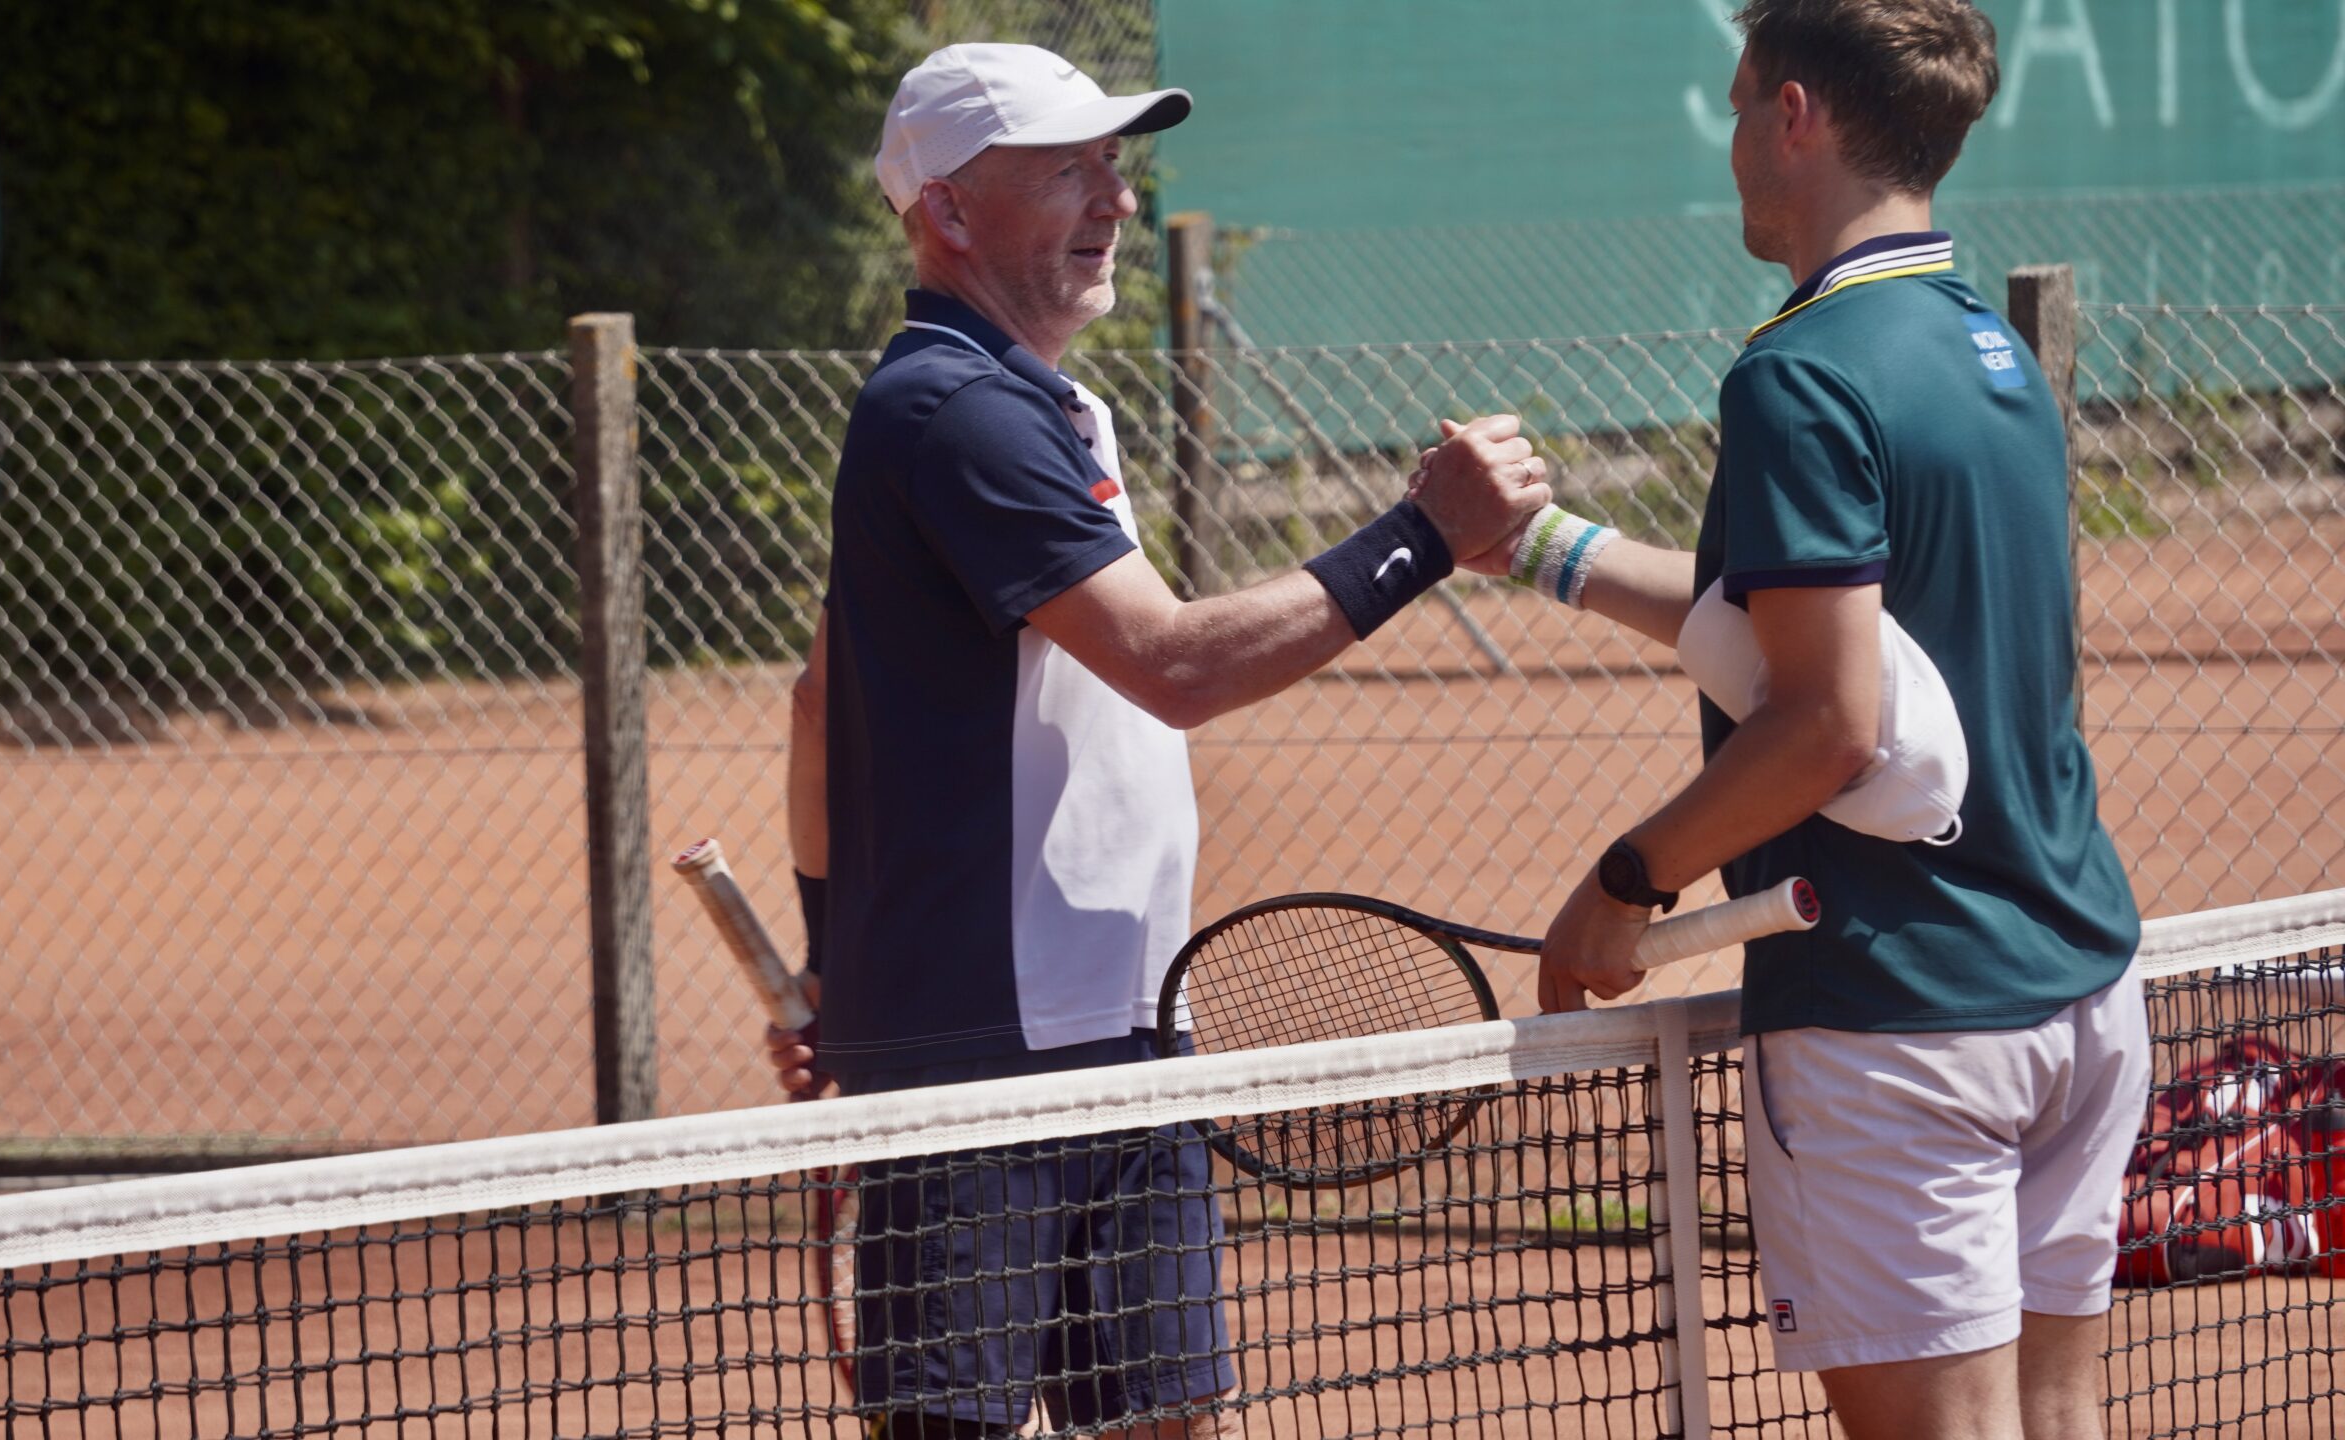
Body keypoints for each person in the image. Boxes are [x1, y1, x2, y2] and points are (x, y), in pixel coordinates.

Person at [758, 42, 1553, 1440]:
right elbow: (1173, 666)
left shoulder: (1036, 404)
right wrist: (1424, 535)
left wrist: (835, 961)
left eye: (1113, 164)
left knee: (1167, 1419)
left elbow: (822, 699)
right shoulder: (953, 408)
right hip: (989, 1058)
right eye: (1068, 169)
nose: (1116, 199)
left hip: (1127, 1029)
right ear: (948, 211)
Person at [1427, 4, 2143, 1438]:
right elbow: (1806, 635)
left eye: (1742, 103)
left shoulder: (1799, 370)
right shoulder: (1988, 355)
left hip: (1901, 1029)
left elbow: (1826, 721)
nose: (1736, 136)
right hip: (2078, 1004)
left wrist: (1626, 882)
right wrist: (1546, 548)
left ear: (1797, 116)